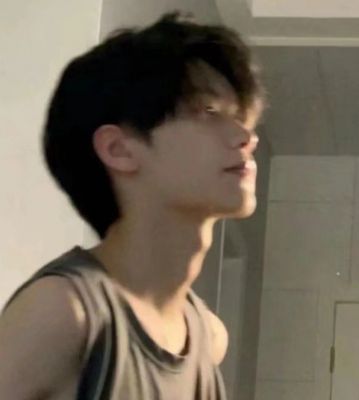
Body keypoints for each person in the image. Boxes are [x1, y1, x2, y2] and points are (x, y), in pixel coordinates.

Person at [0, 10, 266, 400]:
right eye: (209, 113)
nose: (247, 137)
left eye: (244, 119)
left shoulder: (208, 338)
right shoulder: (62, 313)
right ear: (119, 149)